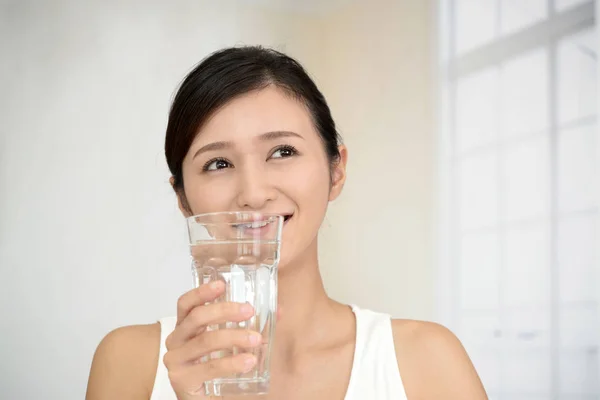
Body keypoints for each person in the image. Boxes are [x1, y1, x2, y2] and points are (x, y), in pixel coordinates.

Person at [85, 46, 487, 400]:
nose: (254, 193)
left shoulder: (427, 362)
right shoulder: (129, 363)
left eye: (282, 151)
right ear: (183, 199)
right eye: (218, 163)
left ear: (336, 171)